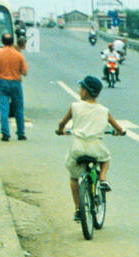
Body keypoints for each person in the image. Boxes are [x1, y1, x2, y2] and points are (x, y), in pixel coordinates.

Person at [54, 75, 125, 223]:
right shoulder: (104, 110)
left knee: (74, 177)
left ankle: (78, 209)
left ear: (86, 92)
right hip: (95, 147)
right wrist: (120, 132)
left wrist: (60, 130)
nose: (79, 91)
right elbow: (118, 128)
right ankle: (103, 177)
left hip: (77, 148)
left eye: (81, 88)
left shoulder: (75, 107)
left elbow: (63, 123)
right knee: (106, 159)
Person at [0, 32, 27, 141]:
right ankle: (21, 133)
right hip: (15, 82)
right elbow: (24, 72)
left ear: (2, 41)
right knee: (18, 109)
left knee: (4, 109)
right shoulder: (18, 55)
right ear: (12, 42)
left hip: (2, 82)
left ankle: (5, 133)